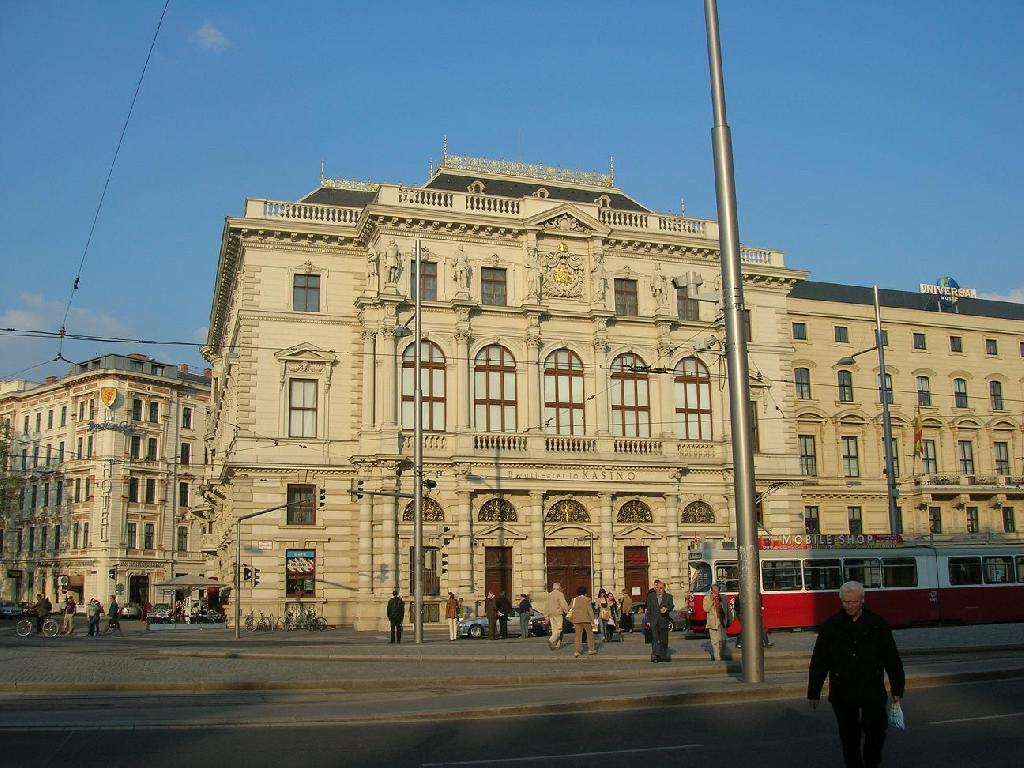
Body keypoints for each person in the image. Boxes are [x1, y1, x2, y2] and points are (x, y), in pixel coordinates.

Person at [808, 581, 905, 768]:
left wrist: (897, 688)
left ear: (862, 601)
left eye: (853, 602)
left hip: (872, 688)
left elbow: (891, 658)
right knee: (849, 737)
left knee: (876, 731)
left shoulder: (877, 624)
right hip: (842, 690)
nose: (849, 606)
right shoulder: (831, 626)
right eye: (845, 602)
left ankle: (871, 762)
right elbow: (819, 661)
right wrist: (814, 692)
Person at [645, 579, 674, 662]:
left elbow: (671, 606)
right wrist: (648, 620)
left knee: (664, 639)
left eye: (661, 588)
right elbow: (649, 609)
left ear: (664, 588)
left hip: (664, 620)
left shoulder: (669, 597)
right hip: (654, 621)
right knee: (655, 638)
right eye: (657, 588)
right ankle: (654, 655)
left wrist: (667, 609)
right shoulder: (651, 596)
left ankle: (662, 655)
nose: (659, 590)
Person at [568, 586, 597, 658]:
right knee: (589, 634)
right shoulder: (587, 600)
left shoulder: (574, 600)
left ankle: (577, 651)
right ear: (585, 593)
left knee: (578, 636)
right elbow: (590, 610)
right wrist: (593, 619)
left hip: (576, 620)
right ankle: (591, 649)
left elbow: (569, 608)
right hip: (586, 619)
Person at [704, 583, 726, 661]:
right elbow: (706, 609)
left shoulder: (723, 598)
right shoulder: (707, 598)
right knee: (715, 643)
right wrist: (711, 600)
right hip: (712, 623)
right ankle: (718, 659)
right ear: (711, 591)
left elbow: (727, 610)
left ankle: (721, 655)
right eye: (713, 591)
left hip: (722, 622)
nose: (715, 593)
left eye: (717, 591)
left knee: (723, 641)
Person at [545, 582, 569, 651]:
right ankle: (551, 640)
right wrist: (567, 611)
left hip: (551, 615)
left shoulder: (549, 594)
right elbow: (563, 603)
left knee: (554, 630)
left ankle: (557, 644)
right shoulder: (560, 594)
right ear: (559, 587)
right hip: (558, 614)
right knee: (559, 629)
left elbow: (547, 605)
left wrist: (546, 615)